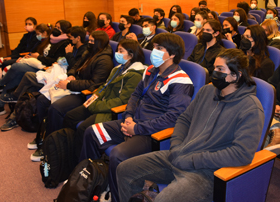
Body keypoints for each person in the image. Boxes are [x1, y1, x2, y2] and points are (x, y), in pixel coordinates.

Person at [117, 48, 264, 202]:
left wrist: (194, 160)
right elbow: (184, 119)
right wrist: (176, 146)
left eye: (220, 69)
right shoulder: (207, 91)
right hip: (180, 155)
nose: (214, 72)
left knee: (163, 200)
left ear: (236, 75)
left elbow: (241, 153)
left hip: (206, 172)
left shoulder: (251, 108)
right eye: (214, 67)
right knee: (125, 169)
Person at [79, 33, 194, 202]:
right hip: (133, 122)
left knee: (117, 155)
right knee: (91, 132)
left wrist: (137, 128)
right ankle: (88, 183)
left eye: (159, 48)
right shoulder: (150, 71)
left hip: (152, 134)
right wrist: (128, 117)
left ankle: (117, 198)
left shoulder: (181, 81)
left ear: (172, 54)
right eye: (154, 47)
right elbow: (135, 95)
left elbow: (173, 118)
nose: (153, 51)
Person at [30, 30, 114, 161]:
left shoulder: (105, 60)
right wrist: (72, 74)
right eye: (89, 40)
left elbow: (94, 84)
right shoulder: (90, 52)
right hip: (74, 84)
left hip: (82, 94)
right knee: (42, 100)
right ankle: (42, 138)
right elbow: (75, 65)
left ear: (99, 43)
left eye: (92, 41)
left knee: (56, 109)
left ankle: (52, 147)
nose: (89, 43)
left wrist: (69, 85)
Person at [62, 39, 146, 159]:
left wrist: (96, 106)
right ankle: (66, 154)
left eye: (121, 51)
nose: (117, 53)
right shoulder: (118, 69)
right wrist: (93, 99)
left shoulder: (135, 75)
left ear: (131, 55)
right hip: (99, 104)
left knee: (83, 128)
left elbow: (122, 101)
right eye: (117, 50)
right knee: (70, 116)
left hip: (109, 111)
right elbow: (104, 87)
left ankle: (80, 164)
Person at [0, 21, 72, 118]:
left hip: (46, 70)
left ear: (64, 31)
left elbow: (56, 61)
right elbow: (39, 52)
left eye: (59, 28)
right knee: (17, 74)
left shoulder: (65, 44)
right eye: (56, 26)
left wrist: (38, 57)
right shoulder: (52, 39)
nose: (55, 29)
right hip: (39, 65)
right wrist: (31, 57)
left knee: (16, 67)